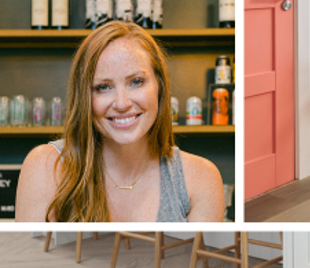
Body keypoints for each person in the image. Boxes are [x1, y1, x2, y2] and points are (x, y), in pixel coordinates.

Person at [15, 21, 225, 222]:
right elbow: (28, 259)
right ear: (84, 98)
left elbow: (200, 260)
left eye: (136, 82)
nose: (122, 103)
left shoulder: (201, 179)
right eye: (103, 87)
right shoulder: (46, 167)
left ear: (159, 86)